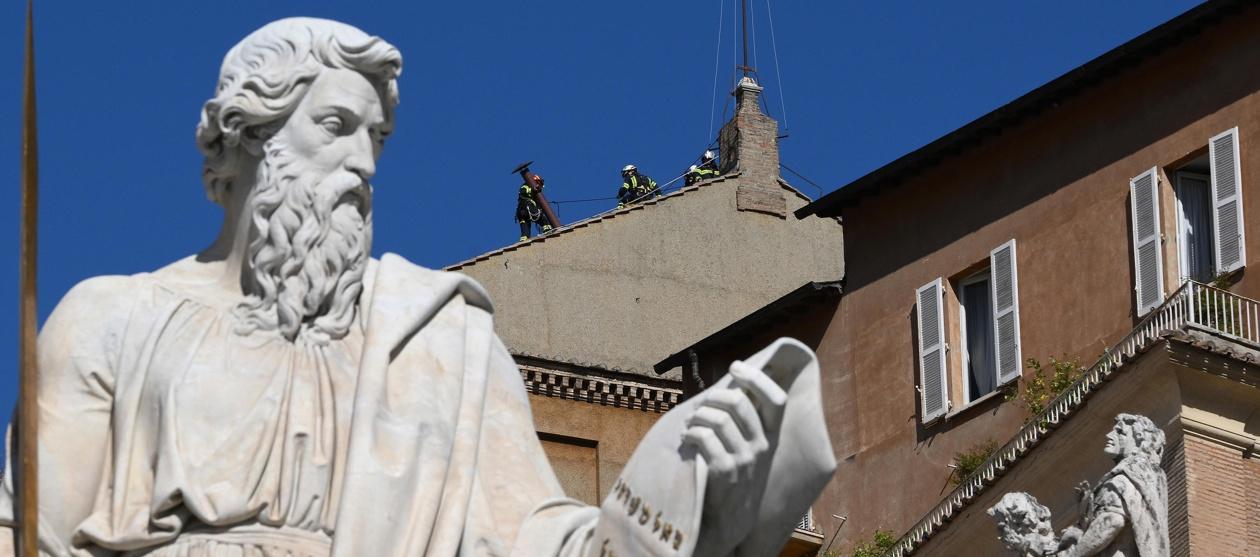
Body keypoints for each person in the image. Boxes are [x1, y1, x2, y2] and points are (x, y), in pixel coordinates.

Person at [0, 18, 834, 556]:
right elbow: (24, 536)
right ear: (247, 135)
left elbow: (546, 546)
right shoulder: (111, 325)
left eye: (378, 139)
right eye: (336, 127)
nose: (362, 164)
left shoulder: (440, 343)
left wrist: (670, 488)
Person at [516, 171, 551, 241]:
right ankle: (548, 229)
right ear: (537, 181)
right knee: (542, 219)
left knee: (525, 225)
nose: (540, 186)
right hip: (527, 207)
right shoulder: (526, 186)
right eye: (540, 184)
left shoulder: (526, 189)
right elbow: (526, 192)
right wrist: (534, 189)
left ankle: (524, 238)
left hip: (520, 211)